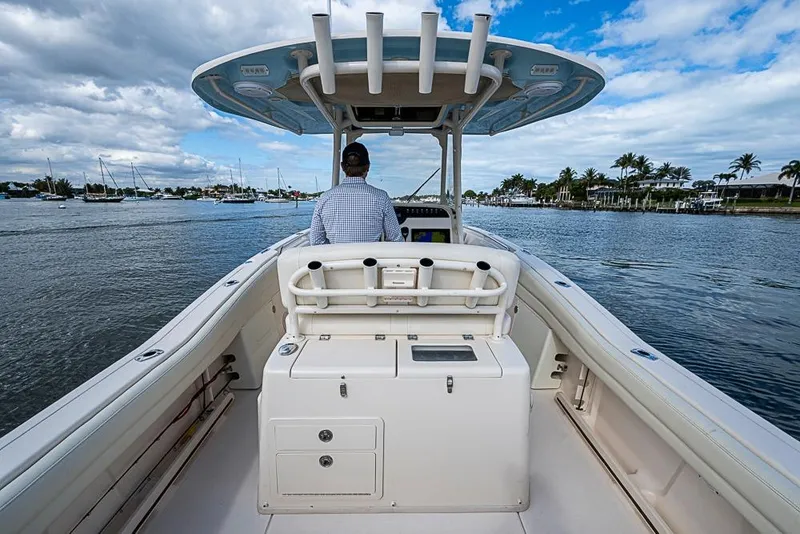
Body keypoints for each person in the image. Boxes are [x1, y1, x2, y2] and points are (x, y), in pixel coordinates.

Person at [310, 142, 403, 245]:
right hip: (371, 260)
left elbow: (316, 242)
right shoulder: (381, 197)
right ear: (368, 166)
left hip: (336, 261)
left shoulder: (324, 198)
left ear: (342, 166)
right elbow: (396, 240)